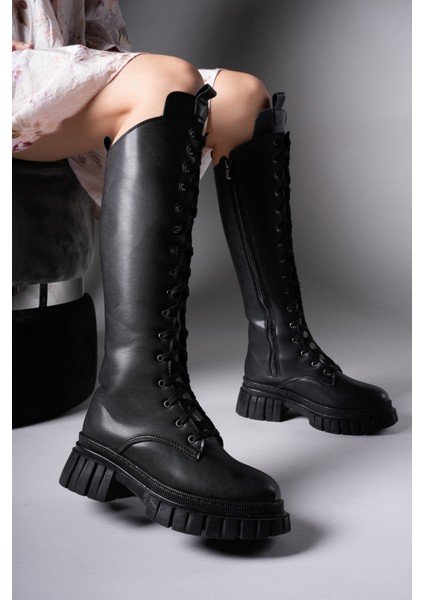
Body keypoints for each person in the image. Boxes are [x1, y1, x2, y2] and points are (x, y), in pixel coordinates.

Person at [12, 0, 397, 540]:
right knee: (165, 83)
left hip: (48, 69)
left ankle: (280, 354)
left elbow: (101, 36)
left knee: (242, 98)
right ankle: (132, 406)